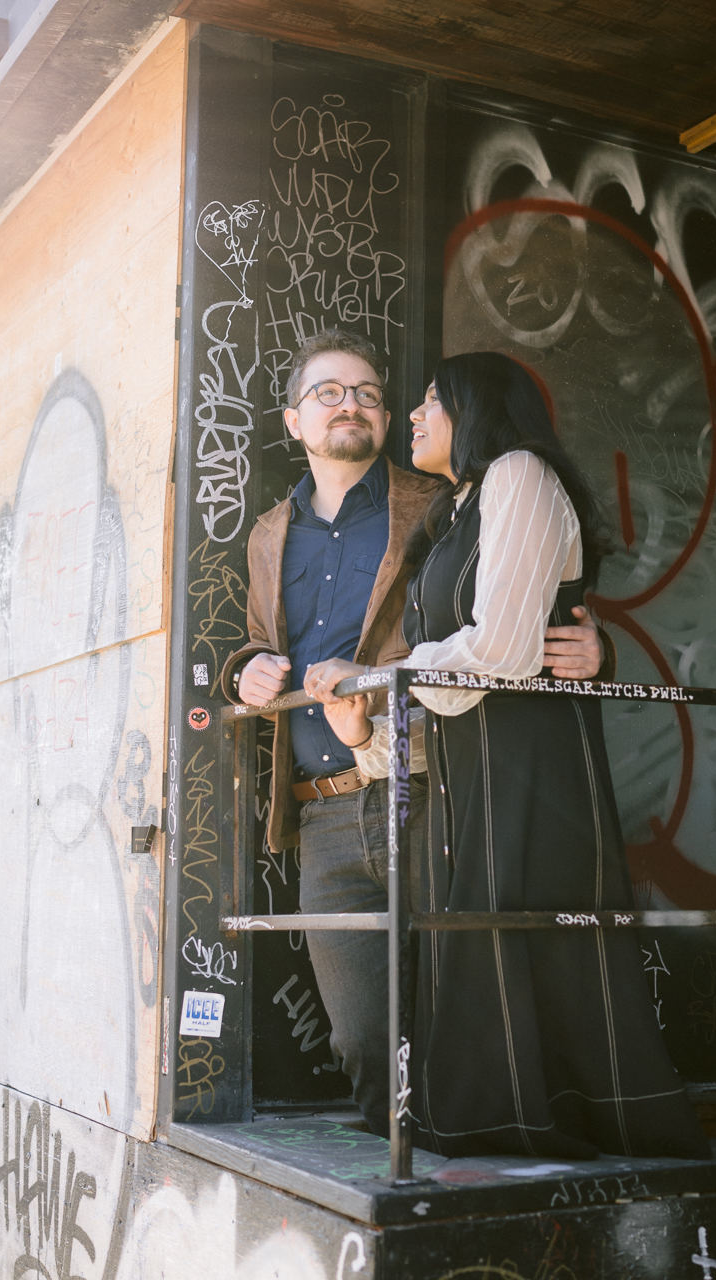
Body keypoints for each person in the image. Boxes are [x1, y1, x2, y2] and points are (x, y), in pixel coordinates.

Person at [308, 351, 711, 1160]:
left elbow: (502, 648)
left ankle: (577, 1134)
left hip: (533, 765)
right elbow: (455, 667)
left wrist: (375, 675)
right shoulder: (458, 509)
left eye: (431, 400)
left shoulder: (520, 473)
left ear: (477, 407)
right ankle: (505, 1134)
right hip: (469, 773)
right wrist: (370, 736)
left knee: (541, 942)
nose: (416, 415)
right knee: (490, 949)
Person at [217, 331, 607, 1136]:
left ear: (389, 417)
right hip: (321, 809)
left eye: (367, 392)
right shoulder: (266, 533)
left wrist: (598, 647)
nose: (350, 404)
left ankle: (459, 1183)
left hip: (429, 785)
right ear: (295, 420)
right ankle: (399, 1186)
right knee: (362, 1039)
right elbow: (263, 641)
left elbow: (517, 598)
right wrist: (244, 671)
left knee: (460, 1014)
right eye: (329, 392)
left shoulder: (437, 500)